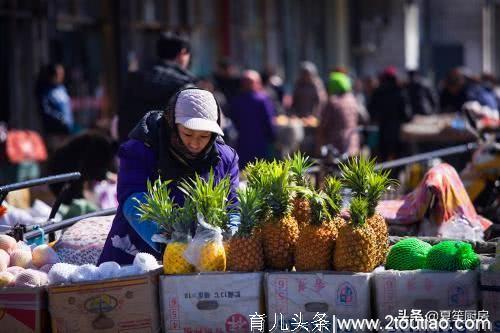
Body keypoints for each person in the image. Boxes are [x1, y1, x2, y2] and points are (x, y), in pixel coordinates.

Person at [98, 88, 240, 265]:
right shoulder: (140, 150)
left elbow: (233, 206)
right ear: (172, 124)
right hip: (137, 256)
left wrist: (229, 238)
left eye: (204, 136)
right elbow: (133, 200)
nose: (195, 143)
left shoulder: (225, 158)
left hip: (207, 259)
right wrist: (171, 245)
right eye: (188, 134)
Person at [118, 32, 197, 142]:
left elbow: (121, 120)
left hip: (133, 152)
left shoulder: (134, 80)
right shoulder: (184, 86)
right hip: (168, 156)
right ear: (182, 53)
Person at [229, 70, 276, 167]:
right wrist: (273, 137)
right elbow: (269, 121)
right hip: (259, 142)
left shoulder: (237, 100)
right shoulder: (262, 99)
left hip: (243, 142)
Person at [369, 66, 412, 161]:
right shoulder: (400, 92)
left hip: (382, 131)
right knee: (398, 160)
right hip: (397, 132)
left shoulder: (377, 92)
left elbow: (372, 111)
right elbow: (407, 114)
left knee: (382, 161)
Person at [317, 72, 360, 156]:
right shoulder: (352, 100)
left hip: (337, 146)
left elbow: (323, 125)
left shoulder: (333, 102)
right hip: (353, 143)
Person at [35, 63, 74, 150]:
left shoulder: (62, 89)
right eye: (59, 74)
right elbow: (45, 110)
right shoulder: (46, 91)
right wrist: (59, 118)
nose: (61, 76)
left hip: (67, 131)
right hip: (54, 132)